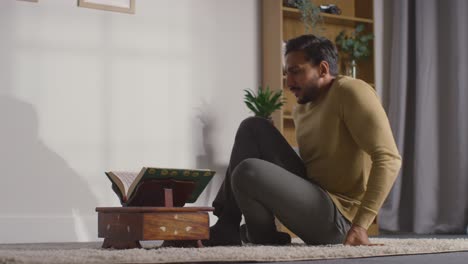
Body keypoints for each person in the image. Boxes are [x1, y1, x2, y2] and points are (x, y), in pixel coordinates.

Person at [165, 34, 402, 247]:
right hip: (316, 195)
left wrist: (360, 226)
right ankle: (230, 226)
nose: (288, 82)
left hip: (340, 220)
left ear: (322, 69)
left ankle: (259, 235)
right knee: (254, 127)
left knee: (248, 171)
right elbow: (319, 164)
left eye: (296, 71)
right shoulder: (302, 108)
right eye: (286, 72)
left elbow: (389, 159)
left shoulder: (352, 92)